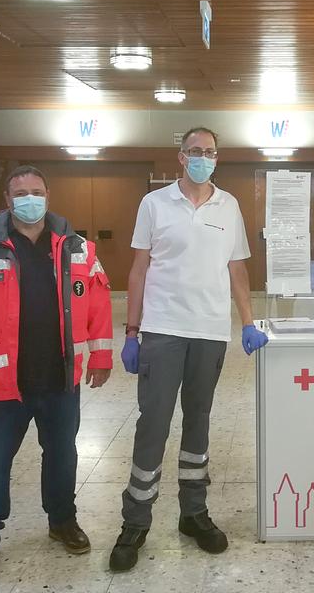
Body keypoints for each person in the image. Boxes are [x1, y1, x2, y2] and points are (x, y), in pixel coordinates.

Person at [0, 165, 114, 584]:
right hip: (2, 385)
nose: (29, 199)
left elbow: (97, 303)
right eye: (20, 193)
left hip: (60, 379)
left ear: (48, 196)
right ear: (7, 199)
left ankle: (62, 520)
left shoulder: (77, 249)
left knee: (62, 455)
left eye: (37, 191)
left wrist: (101, 356)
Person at [108, 127, 268, 572]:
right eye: (195, 151)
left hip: (209, 330)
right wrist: (131, 332)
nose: (202, 158)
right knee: (154, 423)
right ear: (180, 157)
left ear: (217, 157)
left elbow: (237, 269)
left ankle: (193, 513)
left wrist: (248, 322)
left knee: (199, 420)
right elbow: (138, 270)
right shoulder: (154, 203)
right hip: (162, 329)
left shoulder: (229, 205)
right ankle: (135, 521)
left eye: (210, 152)